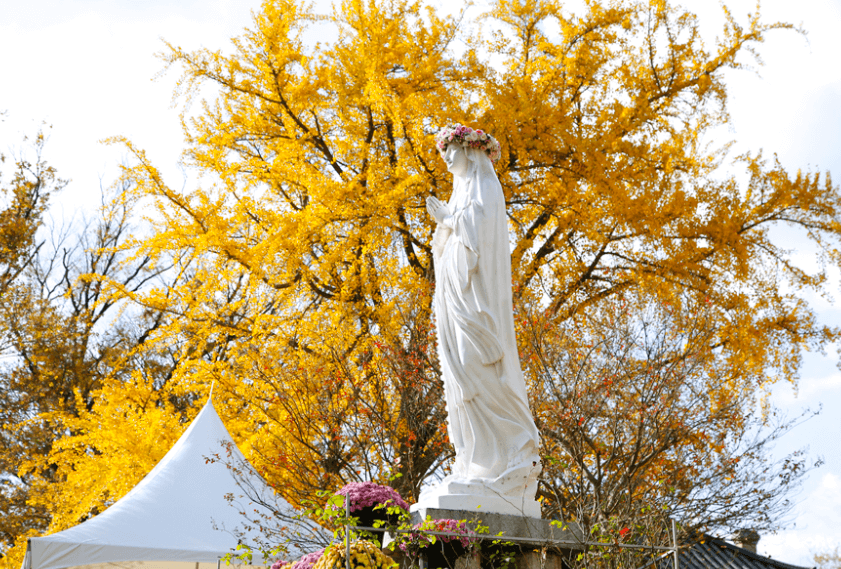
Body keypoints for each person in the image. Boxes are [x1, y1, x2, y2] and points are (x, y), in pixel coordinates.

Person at [416, 124, 541, 517]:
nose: (446, 159)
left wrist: (450, 219)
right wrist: (446, 221)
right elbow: (452, 245)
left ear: (469, 150)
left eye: (450, 150)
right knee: (459, 377)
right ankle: (477, 461)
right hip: (455, 301)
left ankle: (515, 449)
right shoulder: (460, 193)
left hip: (478, 306)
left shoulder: (486, 188)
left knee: (477, 368)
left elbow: (478, 234)